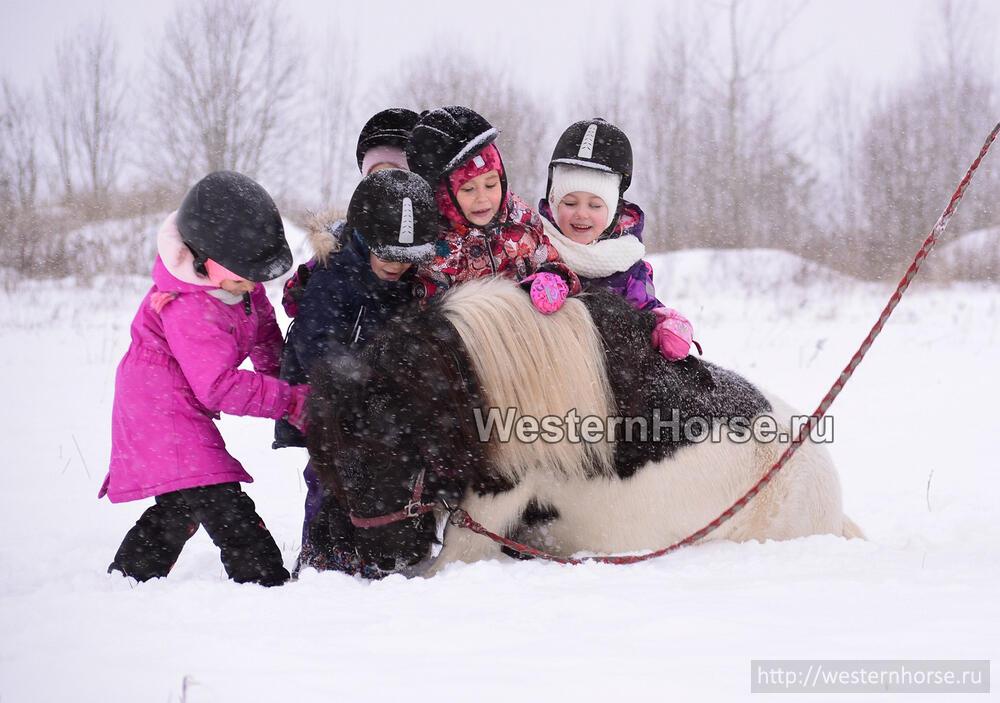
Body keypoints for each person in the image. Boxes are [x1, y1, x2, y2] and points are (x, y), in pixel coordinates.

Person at [101, 171, 309, 586]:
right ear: (203, 260)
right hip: (159, 405)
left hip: (174, 397)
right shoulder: (189, 306)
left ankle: (131, 575)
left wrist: (281, 377)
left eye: (256, 276)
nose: (252, 286)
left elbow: (264, 333)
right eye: (242, 276)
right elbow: (219, 386)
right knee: (218, 494)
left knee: (182, 499)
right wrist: (288, 400)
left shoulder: (237, 282)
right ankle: (263, 579)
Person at [275, 169, 440, 573]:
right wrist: (355, 378)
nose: (397, 266)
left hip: (380, 409)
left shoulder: (409, 284)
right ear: (364, 239)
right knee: (329, 479)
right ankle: (320, 555)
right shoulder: (334, 277)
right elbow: (314, 344)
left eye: (407, 258)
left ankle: (379, 545)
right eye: (388, 255)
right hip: (331, 403)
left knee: (382, 478)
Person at [540, 118, 698, 360]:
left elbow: (647, 312)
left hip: (612, 368)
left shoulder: (626, 266)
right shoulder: (538, 248)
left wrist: (667, 326)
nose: (581, 214)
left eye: (595, 205)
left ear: (613, 210)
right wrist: (535, 286)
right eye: (570, 203)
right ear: (553, 203)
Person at [405, 105, 581, 313]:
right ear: (443, 196)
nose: (483, 198)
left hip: (529, 326)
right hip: (473, 331)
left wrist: (553, 278)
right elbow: (428, 314)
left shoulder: (521, 220)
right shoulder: (438, 249)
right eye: (468, 189)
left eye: (491, 185)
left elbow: (551, 261)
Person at [281, 107, 419, 319]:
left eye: (396, 176)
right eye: (375, 179)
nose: (384, 189)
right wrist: (306, 283)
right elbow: (297, 301)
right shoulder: (347, 236)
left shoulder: (424, 235)